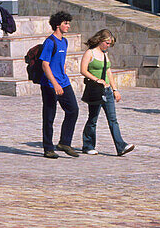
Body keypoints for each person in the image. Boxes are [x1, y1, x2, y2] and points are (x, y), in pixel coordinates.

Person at [78, 29, 134, 157]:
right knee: (93, 118)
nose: (108, 46)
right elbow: (83, 70)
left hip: (107, 90)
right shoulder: (90, 53)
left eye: (110, 44)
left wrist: (115, 89)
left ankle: (120, 146)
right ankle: (88, 145)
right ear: (100, 40)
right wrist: (97, 79)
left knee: (113, 119)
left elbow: (109, 72)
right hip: (95, 90)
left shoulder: (104, 54)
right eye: (107, 43)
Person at [38, 11, 79, 158]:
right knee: (49, 116)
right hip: (49, 84)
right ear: (58, 25)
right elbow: (45, 65)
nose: (68, 26)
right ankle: (48, 148)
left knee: (73, 110)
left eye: (68, 23)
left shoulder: (64, 41)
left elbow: (60, 63)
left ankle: (64, 143)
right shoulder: (50, 42)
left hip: (63, 82)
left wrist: (63, 80)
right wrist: (54, 83)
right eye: (65, 23)